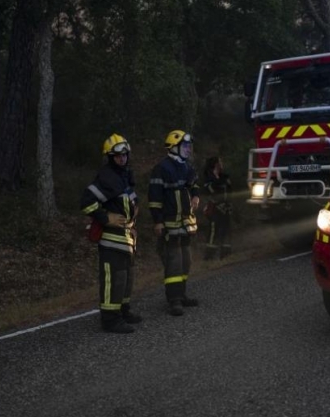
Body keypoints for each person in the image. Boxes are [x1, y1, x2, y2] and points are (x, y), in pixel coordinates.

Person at [80, 133, 142, 334]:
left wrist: (132, 221)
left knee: (125, 278)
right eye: (118, 156)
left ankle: (123, 311)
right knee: (113, 279)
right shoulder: (106, 177)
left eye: (125, 155)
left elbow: (130, 202)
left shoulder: (124, 175)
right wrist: (106, 218)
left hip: (125, 237)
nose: (122, 158)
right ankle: (109, 320)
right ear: (110, 157)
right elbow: (86, 202)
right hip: (111, 239)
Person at [149, 130, 201, 316]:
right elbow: (154, 198)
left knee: (186, 260)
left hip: (186, 223)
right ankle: (174, 300)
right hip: (170, 223)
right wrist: (158, 222)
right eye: (185, 146)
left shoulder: (186, 166)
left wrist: (195, 195)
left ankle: (182, 294)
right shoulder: (162, 168)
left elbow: (193, 183)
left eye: (189, 146)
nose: (188, 149)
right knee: (174, 262)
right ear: (174, 147)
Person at [202, 156, 233, 260]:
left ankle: (225, 253)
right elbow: (210, 192)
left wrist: (228, 204)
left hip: (225, 208)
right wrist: (218, 203)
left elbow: (229, 191)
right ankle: (209, 255)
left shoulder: (224, 177)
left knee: (226, 229)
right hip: (214, 208)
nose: (222, 163)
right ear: (216, 164)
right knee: (213, 230)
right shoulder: (209, 178)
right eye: (220, 162)